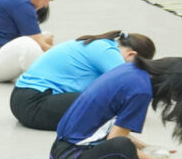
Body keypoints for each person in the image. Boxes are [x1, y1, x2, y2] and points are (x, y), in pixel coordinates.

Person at [50, 56, 182, 159]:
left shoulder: (131, 70)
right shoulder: (141, 91)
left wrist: (147, 147)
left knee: (124, 145)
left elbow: (109, 129)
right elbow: (116, 140)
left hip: (60, 153)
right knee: (122, 146)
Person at [11, 30, 156, 130]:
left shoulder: (102, 44)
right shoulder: (108, 52)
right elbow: (130, 85)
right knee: (107, 106)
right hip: (34, 104)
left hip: (25, 100)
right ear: (131, 55)